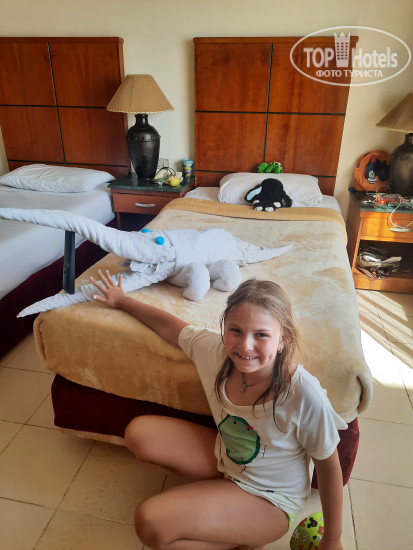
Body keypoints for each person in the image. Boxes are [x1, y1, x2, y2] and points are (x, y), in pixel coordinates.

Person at [91, 269, 346, 550]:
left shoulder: (303, 393)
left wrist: (332, 539)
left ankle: (247, 537)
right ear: (225, 327)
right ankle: (236, 523)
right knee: (138, 433)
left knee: (150, 523)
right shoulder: (214, 350)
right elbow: (171, 327)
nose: (245, 345)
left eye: (261, 335)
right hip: (228, 458)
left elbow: (328, 465)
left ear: (283, 339)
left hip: (271, 499)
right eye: (236, 330)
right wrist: (122, 300)